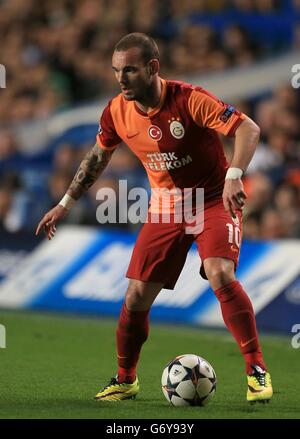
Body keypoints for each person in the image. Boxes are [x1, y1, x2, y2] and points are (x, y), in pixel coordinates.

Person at [36, 33, 273, 404]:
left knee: (220, 273)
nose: (121, 78)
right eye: (116, 70)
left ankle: (256, 371)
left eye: (129, 69)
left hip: (212, 200)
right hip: (165, 207)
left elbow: (248, 128)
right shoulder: (116, 110)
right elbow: (96, 158)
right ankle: (125, 379)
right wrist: (66, 202)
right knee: (134, 297)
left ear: (152, 68)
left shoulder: (190, 98)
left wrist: (235, 175)